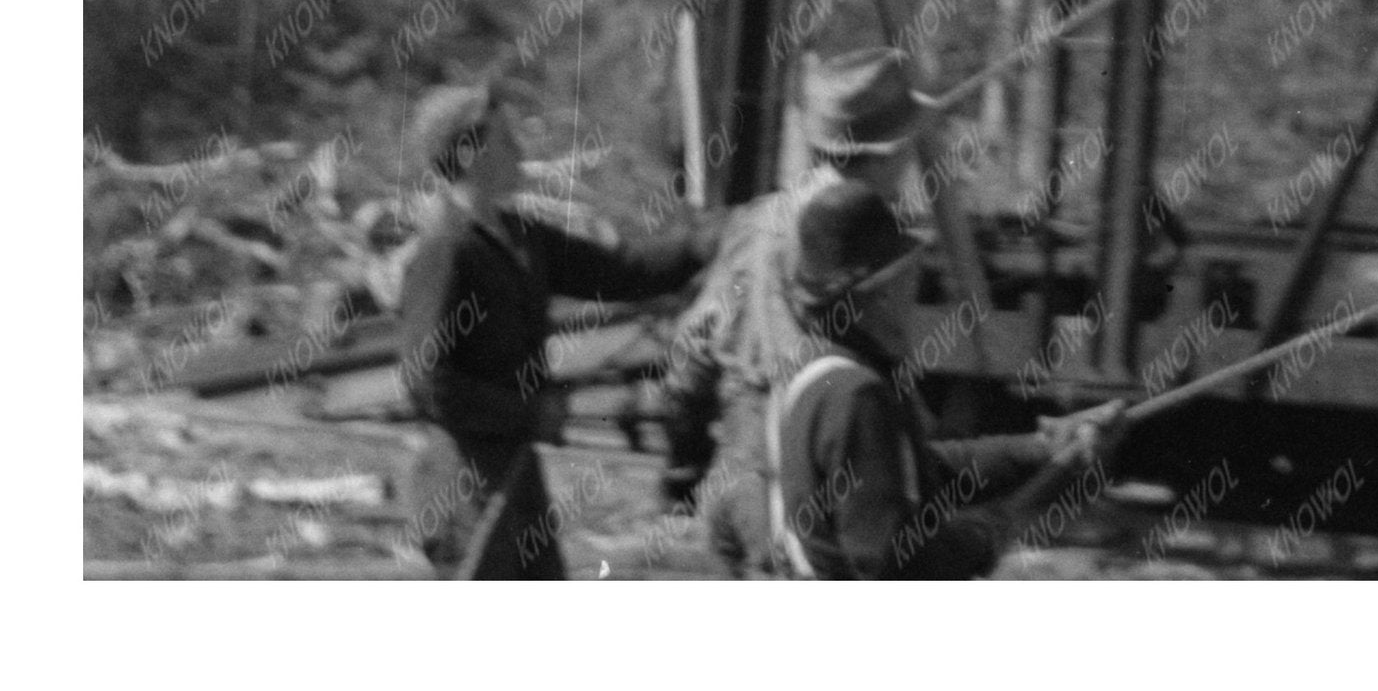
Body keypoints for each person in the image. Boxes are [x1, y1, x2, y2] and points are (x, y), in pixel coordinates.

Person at [694, 183, 1105, 581]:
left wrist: (1042, 449)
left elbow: (914, 470)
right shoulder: (856, 395)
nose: (914, 293)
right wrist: (1013, 516)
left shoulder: (812, 369)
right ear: (881, 291)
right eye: (909, 278)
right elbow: (896, 565)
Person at [392, 75, 701, 583]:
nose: (520, 150)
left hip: (511, 468)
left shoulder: (520, 237)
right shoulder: (447, 249)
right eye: (507, 139)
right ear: (470, 152)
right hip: (463, 480)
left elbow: (619, 269)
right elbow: (426, 380)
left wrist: (704, 243)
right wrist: (526, 413)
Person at [651, 49, 921, 523]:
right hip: (826, 467)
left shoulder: (759, 222)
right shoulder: (876, 243)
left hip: (748, 461)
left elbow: (693, 349)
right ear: (890, 150)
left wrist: (682, 469)